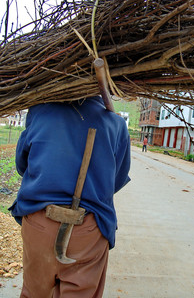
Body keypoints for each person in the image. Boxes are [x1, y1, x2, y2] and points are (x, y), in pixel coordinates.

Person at [9, 96, 131, 298]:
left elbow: (22, 166)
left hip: (39, 223)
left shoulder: (40, 112)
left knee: (33, 292)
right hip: (89, 229)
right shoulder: (116, 124)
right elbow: (115, 181)